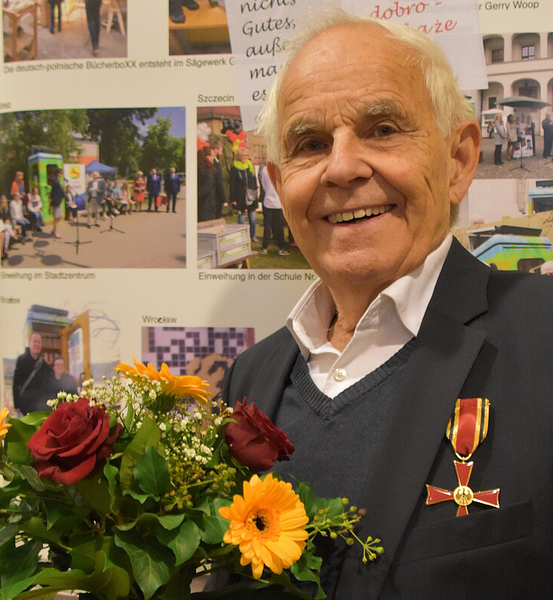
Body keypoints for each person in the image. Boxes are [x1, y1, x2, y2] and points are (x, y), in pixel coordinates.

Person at [223, 9, 553, 598]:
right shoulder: (250, 380)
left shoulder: (545, 334)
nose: (343, 167)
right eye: (310, 144)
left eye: (382, 129)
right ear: (278, 183)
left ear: (458, 160)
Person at [12, 332, 53, 414]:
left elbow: (48, 384)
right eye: (34, 341)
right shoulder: (22, 360)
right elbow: (16, 383)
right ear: (30, 343)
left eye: (39, 342)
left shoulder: (43, 363)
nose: (37, 344)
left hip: (40, 406)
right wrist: (16, 404)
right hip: (25, 405)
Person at [257, 162, 289, 255]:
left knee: (267, 226)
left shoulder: (265, 170)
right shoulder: (281, 169)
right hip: (276, 202)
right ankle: (281, 248)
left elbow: (264, 185)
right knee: (279, 226)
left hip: (269, 201)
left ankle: (265, 247)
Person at [229, 146, 258, 241]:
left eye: (246, 155)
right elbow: (232, 184)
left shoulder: (250, 166)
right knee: (241, 217)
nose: (245, 157)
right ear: (239, 156)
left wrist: (256, 192)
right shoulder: (234, 168)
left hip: (251, 196)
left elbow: (254, 180)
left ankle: (252, 236)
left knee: (252, 218)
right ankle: (241, 236)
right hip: (240, 197)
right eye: (242, 155)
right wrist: (233, 199)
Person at [197, 146, 218, 222]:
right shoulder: (207, 171)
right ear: (206, 156)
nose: (214, 158)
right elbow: (205, 189)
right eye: (213, 156)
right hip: (206, 206)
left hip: (206, 205)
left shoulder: (202, 168)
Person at [49, 169, 65, 238]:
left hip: (59, 201)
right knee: (56, 217)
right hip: (56, 202)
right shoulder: (55, 182)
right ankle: (56, 232)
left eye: (62, 173)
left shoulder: (57, 181)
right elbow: (54, 193)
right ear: (57, 174)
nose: (61, 175)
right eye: (60, 173)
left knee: (59, 217)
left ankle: (53, 230)